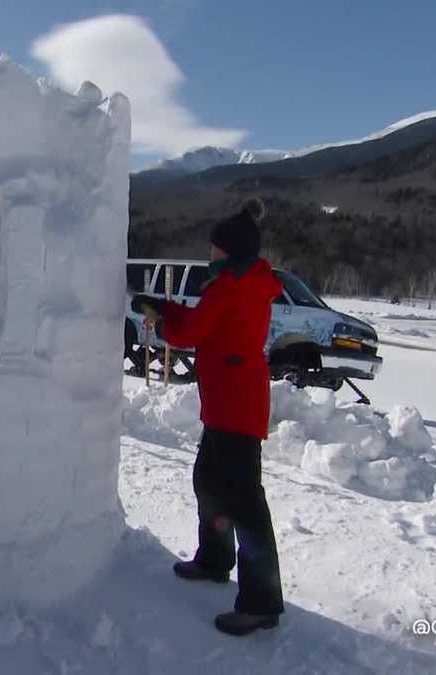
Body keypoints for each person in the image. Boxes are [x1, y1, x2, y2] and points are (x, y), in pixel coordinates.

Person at [130, 197, 286, 637]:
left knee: (246, 505)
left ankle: (260, 603)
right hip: (229, 405)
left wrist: (161, 322)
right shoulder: (245, 282)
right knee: (209, 483)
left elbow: (191, 331)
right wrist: (162, 305)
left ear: (229, 250)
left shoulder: (230, 286)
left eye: (214, 247)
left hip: (234, 408)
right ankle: (215, 560)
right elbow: (206, 321)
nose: (209, 253)